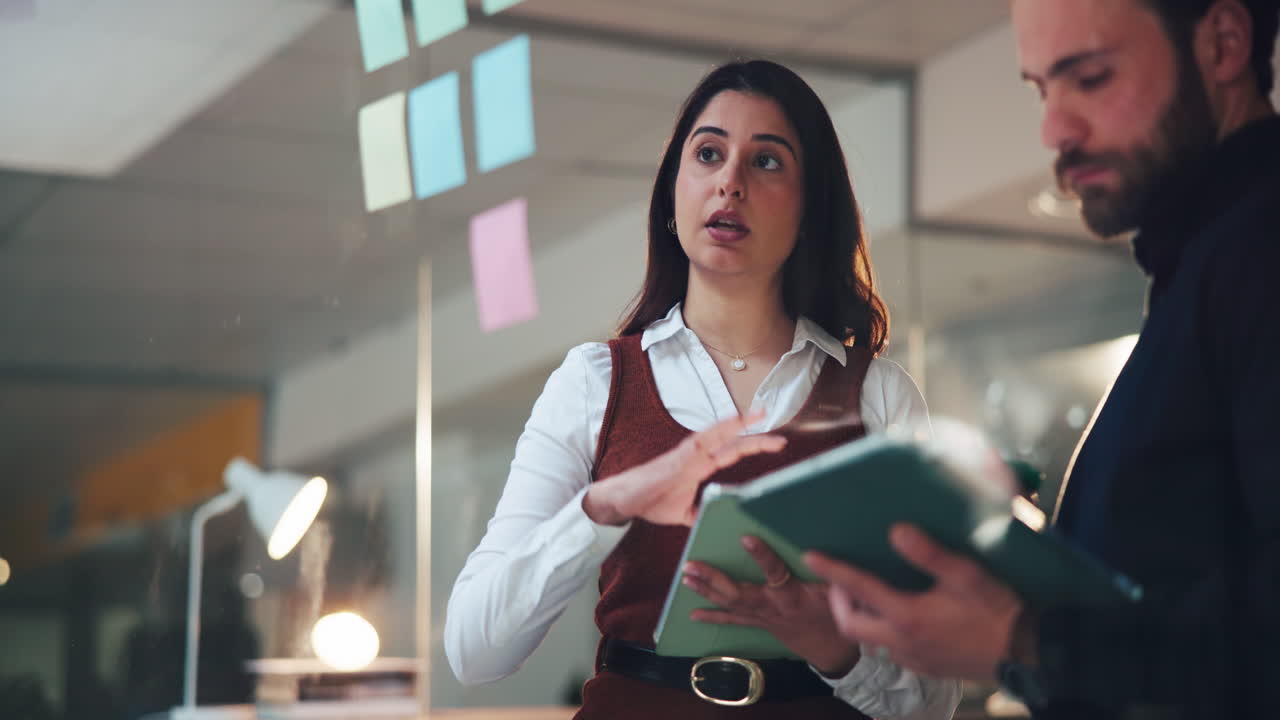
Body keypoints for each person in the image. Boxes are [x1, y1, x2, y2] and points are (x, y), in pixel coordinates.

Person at [445, 60, 962, 719]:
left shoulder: (880, 396)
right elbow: (473, 652)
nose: (730, 182)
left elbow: (933, 704)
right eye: (709, 154)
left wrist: (837, 649)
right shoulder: (594, 383)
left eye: (766, 162)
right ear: (671, 197)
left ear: (809, 211)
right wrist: (603, 507)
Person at [807, 1, 1280, 718]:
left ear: (1223, 44)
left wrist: (1023, 637)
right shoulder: (1199, 275)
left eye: (1088, 77)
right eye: (1040, 89)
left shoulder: (1260, 251)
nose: (1054, 129)